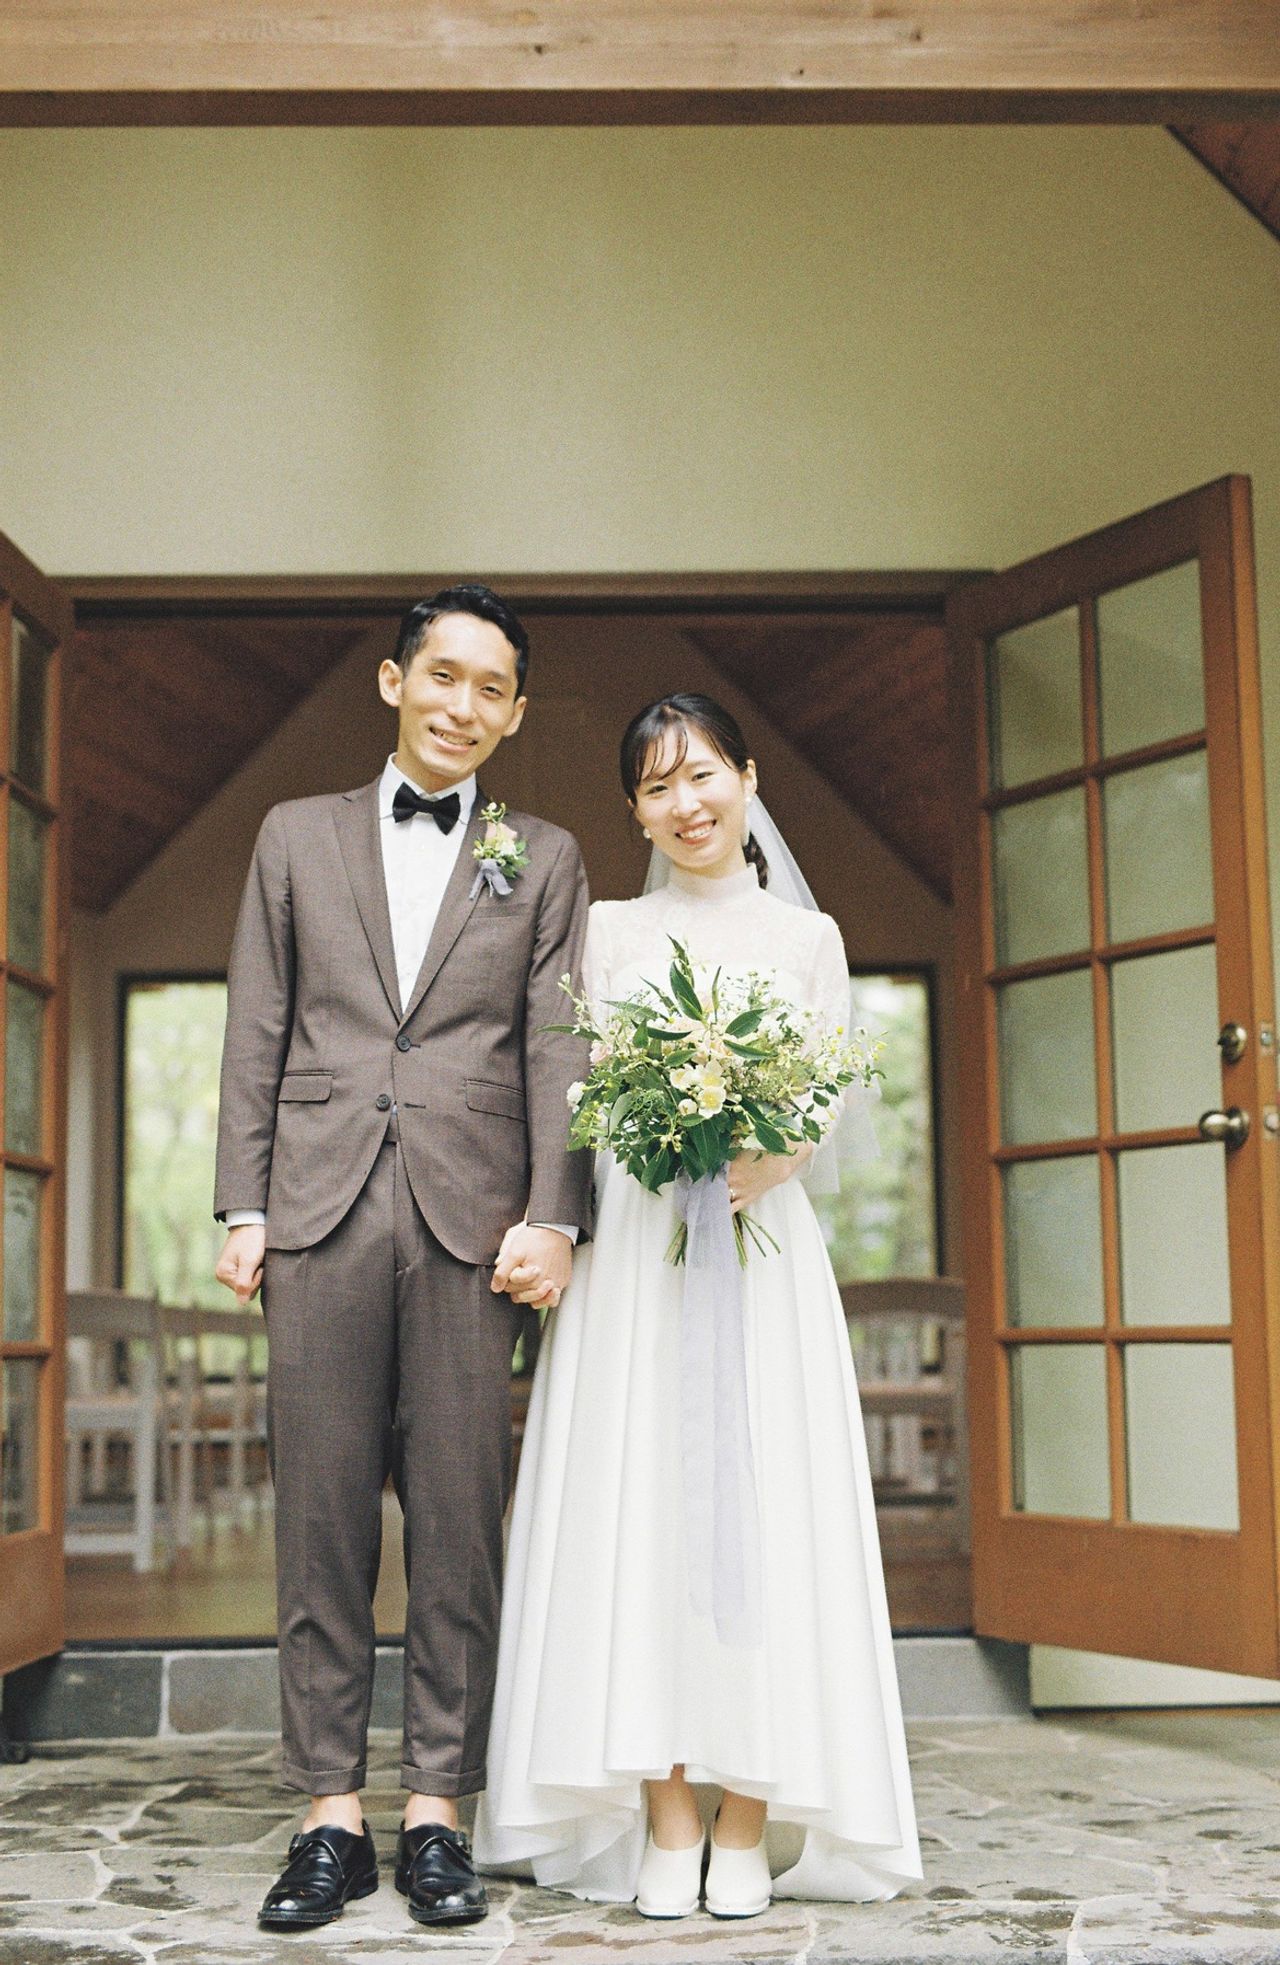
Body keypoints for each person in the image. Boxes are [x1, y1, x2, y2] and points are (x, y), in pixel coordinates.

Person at [474, 692, 922, 1916]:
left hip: (762, 1259)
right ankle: (666, 1814)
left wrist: (773, 1155)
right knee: (639, 1513)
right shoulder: (608, 933)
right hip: (635, 1261)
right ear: (634, 811)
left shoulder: (809, 937)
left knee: (767, 1518)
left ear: (747, 777)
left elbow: (826, 1099)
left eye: (703, 774)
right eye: (657, 786)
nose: (686, 804)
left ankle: (747, 1817)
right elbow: (568, 1092)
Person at [212, 585, 592, 1933]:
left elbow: (556, 1043)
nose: (460, 706)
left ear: (515, 713)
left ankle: (437, 1812)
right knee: (317, 1521)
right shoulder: (291, 834)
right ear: (392, 681)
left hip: (475, 1226)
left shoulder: (542, 855)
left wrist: (554, 1213)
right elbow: (258, 1022)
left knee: (457, 1525)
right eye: (442, 675)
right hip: (314, 1210)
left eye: (490, 689)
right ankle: (328, 1815)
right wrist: (240, 1205)